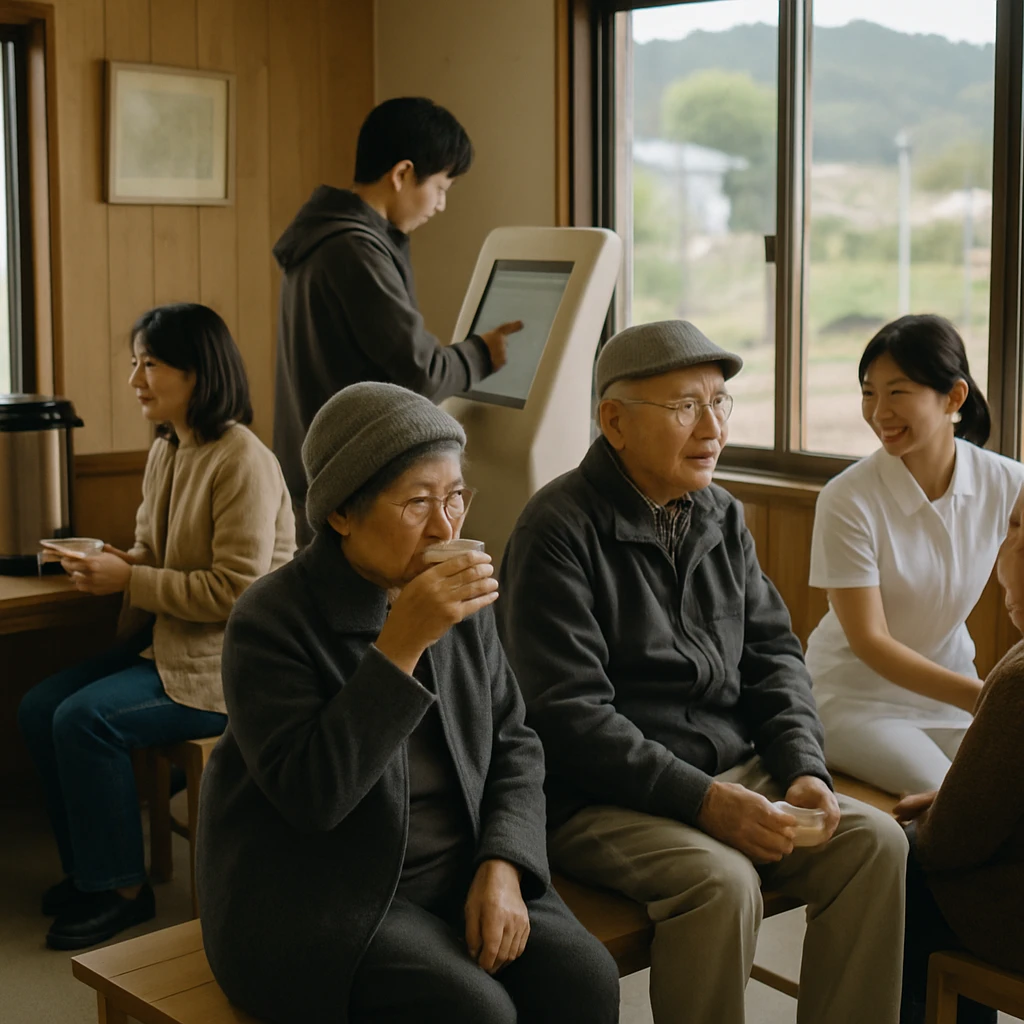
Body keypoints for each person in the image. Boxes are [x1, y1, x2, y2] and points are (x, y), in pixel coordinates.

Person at [498, 319, 909, 1024]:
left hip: (731, 771)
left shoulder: (720, 514)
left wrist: (803, 767)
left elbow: (774, 657)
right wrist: (705, 801)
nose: (713, 428)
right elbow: (568, 717)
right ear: (614, 422)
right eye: (686, 406)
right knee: (722, 882)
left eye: (719, 402)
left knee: (875, 844)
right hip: (598, 797)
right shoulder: (556, 529)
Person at [197, 383, 619, 1024]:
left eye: (454, 497)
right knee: (477, 1011)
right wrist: (402, 644)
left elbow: (515, 743)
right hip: (324, 891)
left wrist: (504, 861)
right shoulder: (271, 619)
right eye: (417, 502)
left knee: (585, 979)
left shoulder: (457, 594)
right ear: (342, 514)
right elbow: (312, 797)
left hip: (461, 863)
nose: (446, 526)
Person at [17, 303, 295, 951]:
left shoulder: (242, 460)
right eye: (134, 363)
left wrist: (131, 580)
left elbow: (237, 593)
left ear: (198, 372)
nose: (135, 379)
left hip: (227, 667)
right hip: (168, 644)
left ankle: (122, 890)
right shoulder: (169, 447)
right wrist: (114, 563)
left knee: (83, 720)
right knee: (38, 707)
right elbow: (151, 551)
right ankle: (91, 871)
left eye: (150, 364)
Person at [273, 96, 523, 542]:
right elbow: (420, 371)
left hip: (322, 474)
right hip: (354, 486)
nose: (440, 204)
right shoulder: (354, 249)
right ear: (403, 173)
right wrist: (482, 353)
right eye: (441, 187)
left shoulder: (324, 237)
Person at [804, 315, 1024, 795]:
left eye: (897, 392)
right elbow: (870, 641)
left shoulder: (1007, 482)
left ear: (954, 398)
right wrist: (987, 697)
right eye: (869, 393)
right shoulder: (847, 498)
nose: (879, 412)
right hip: (853, 698)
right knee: (954, 795)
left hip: (951, 690)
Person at [895, 485, 1024, 1024]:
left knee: (896, 865)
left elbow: (948, 843)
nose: (1006, 550)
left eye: (1017, 530)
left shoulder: (1019, 679)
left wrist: (938, 817)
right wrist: (950, 797)